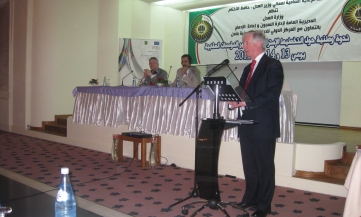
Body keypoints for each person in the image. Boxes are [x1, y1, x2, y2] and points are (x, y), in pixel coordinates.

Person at [229, 30, 284, 217]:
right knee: (250, 165)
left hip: (263, 125)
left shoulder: (273, 65)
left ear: (258, 43)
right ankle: (250, 198)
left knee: (264, 166)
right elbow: (243, 91)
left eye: (245, 43)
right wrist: (234, 98)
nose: (243, 47)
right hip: (246, 123)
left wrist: (247, 102)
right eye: (243, 43)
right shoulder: (247, 69)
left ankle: (264, 205)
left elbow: (271, 94)